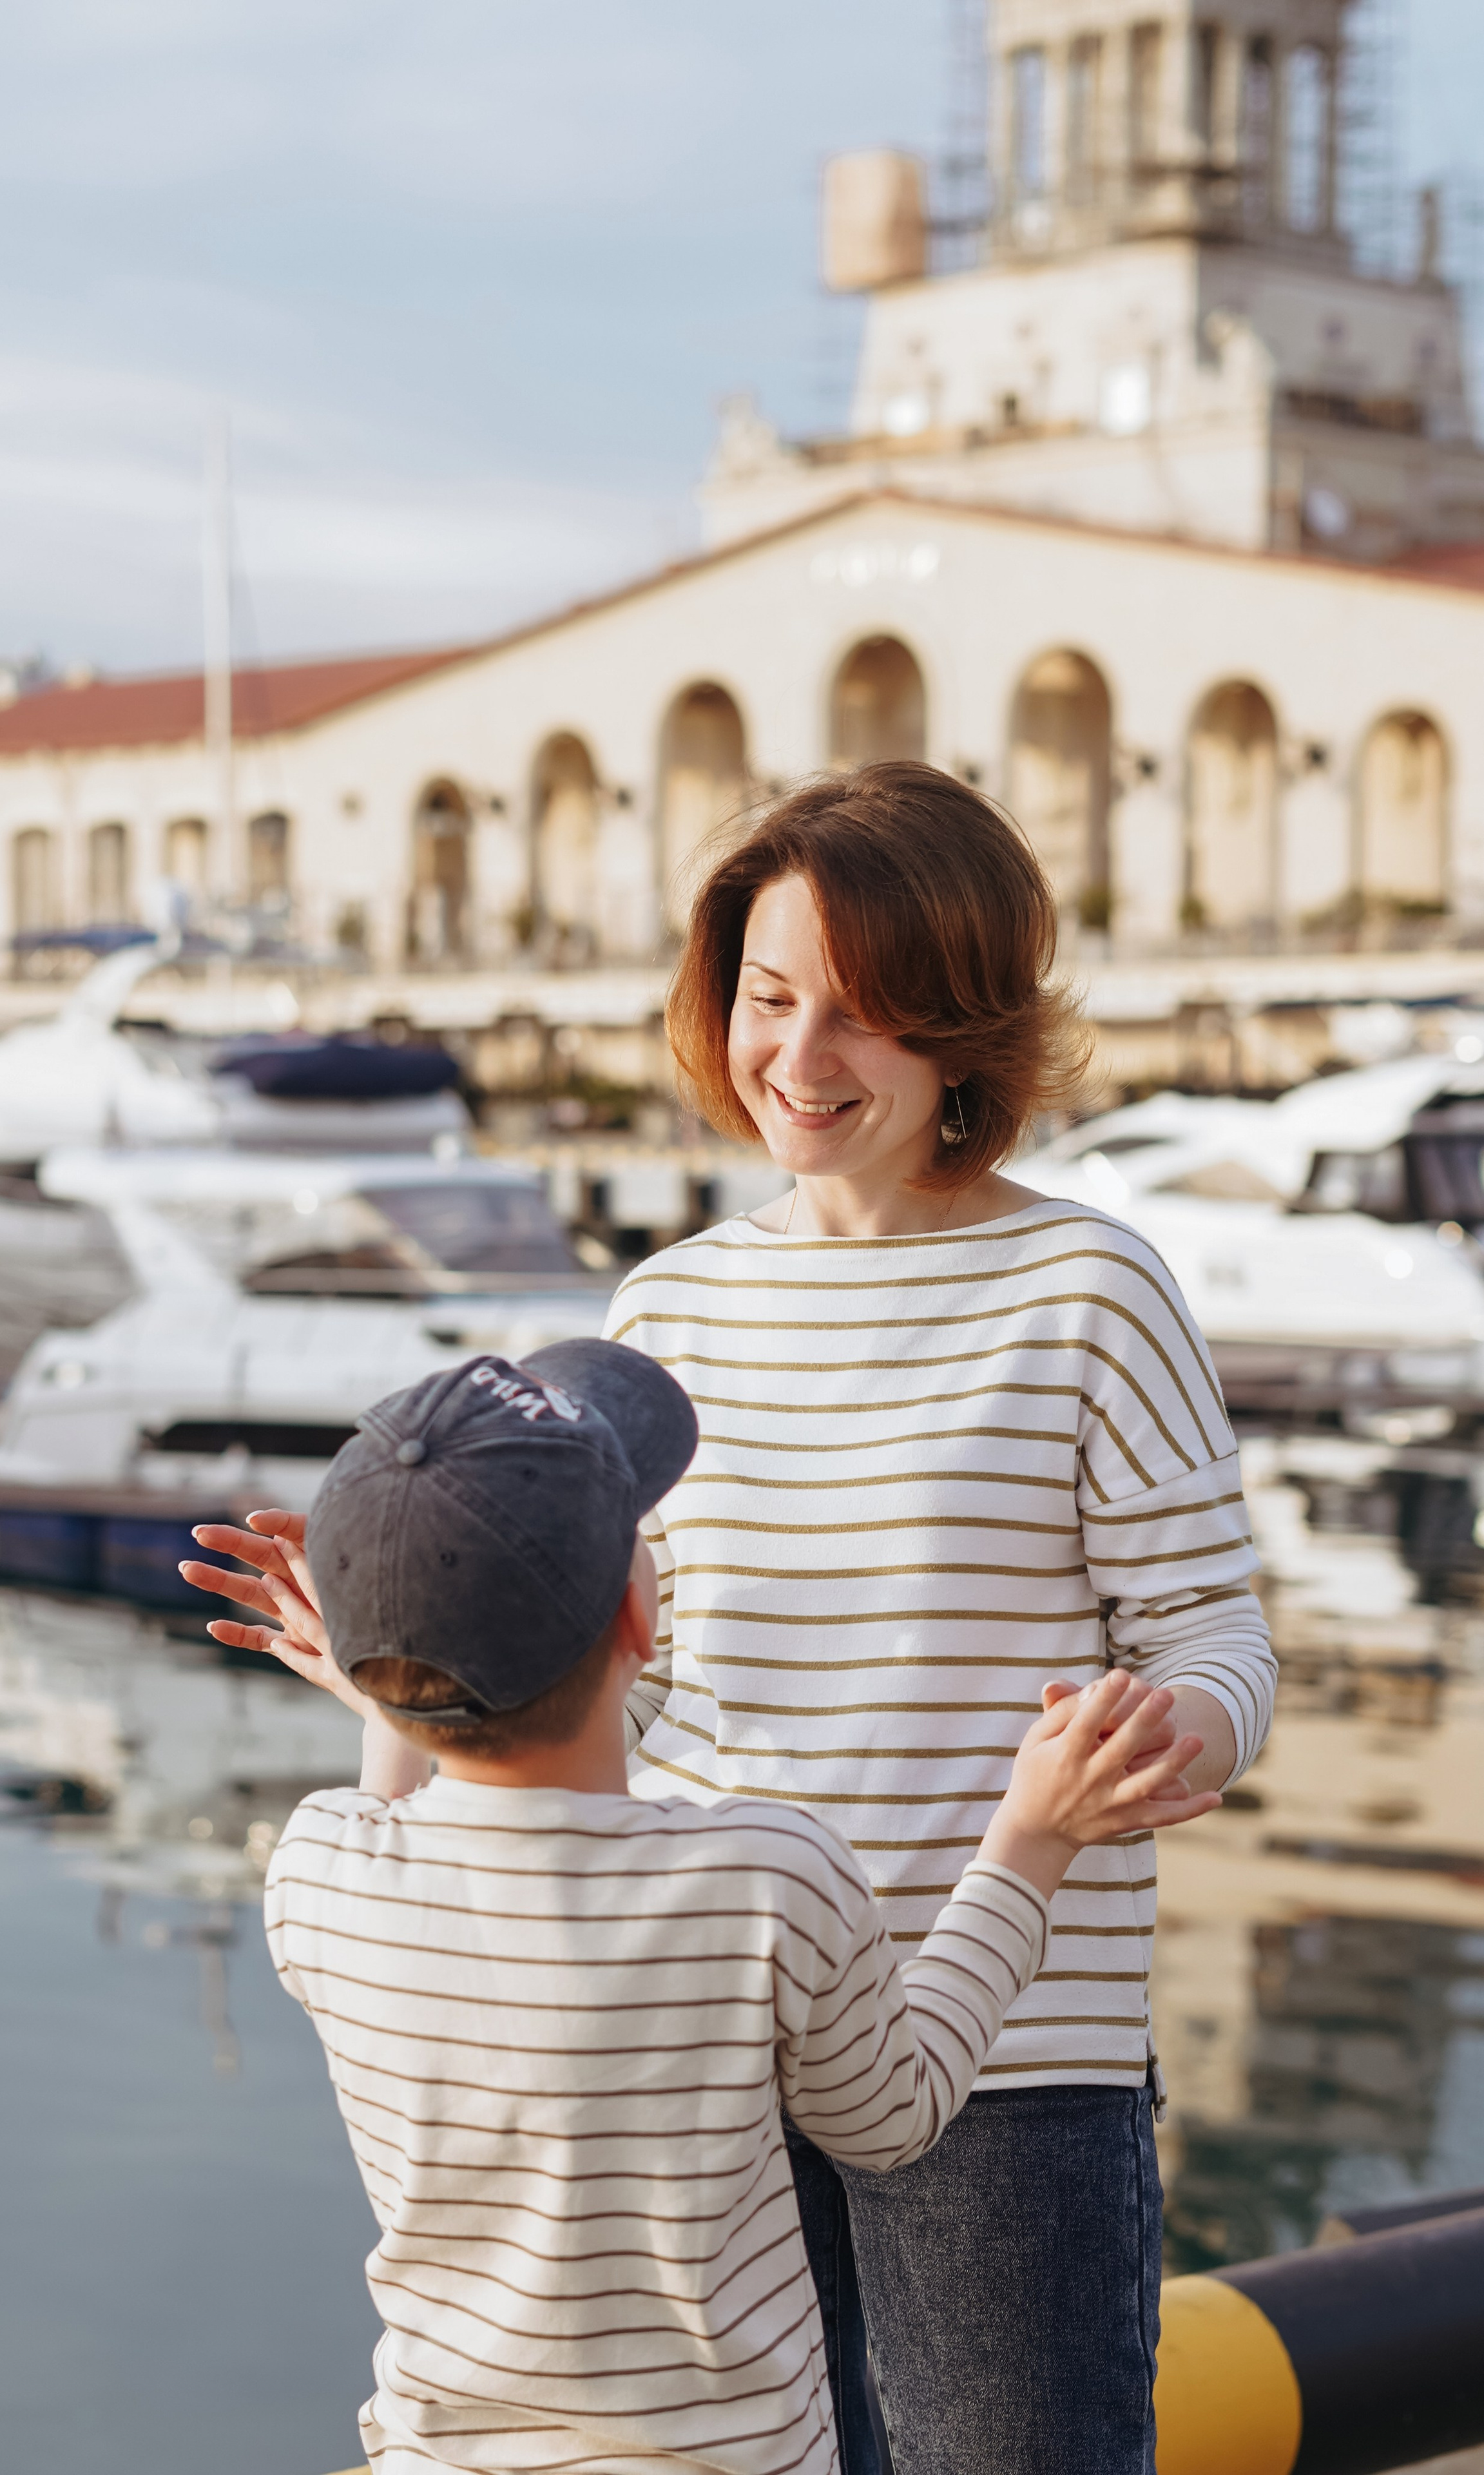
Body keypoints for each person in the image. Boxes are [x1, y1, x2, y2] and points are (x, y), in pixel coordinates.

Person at [181, 1338, 1218, 2475]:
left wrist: (393, 1677)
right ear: (638, 1619)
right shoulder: (764, 1879)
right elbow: (894, 2113)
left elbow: (393, 1812)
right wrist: (1031, 1838)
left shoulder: (319, 1872)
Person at [602, 762, 1280, 2475]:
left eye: (867, 1016)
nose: (801, 1061)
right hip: (713, 2064)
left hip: (1009, 2079)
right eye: (769, 998)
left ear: (968, 1035)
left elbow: (1215, 1634)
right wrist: (417, 1680)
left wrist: (1174, 1730)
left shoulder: (1090, 1289)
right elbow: (637, 1693)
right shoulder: (663, 1305)